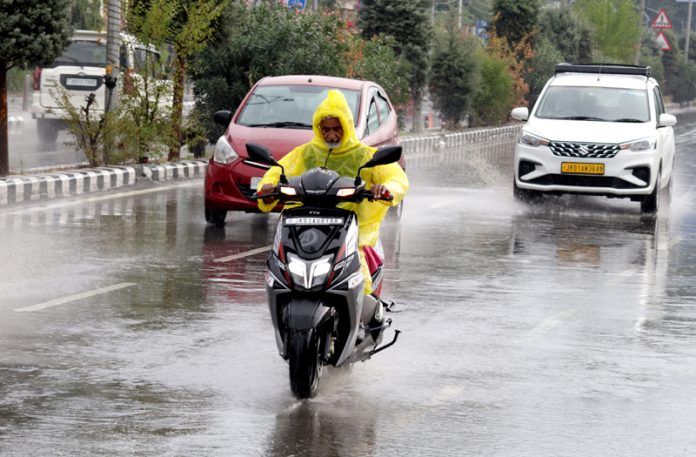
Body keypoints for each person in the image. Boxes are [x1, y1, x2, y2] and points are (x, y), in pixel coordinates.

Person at [256, 89, 409, 326]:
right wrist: (268, 187)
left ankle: (361, 321)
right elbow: (278, 172)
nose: (331, 134)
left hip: (351, 228)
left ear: (346, 127)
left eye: (336, 128)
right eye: (326, 129)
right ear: (318, 128)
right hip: (306, 225)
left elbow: (396, 178)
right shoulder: (306, 153)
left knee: (361, 277)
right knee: (279, 263)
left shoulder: (363, 154)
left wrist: (385, 189)